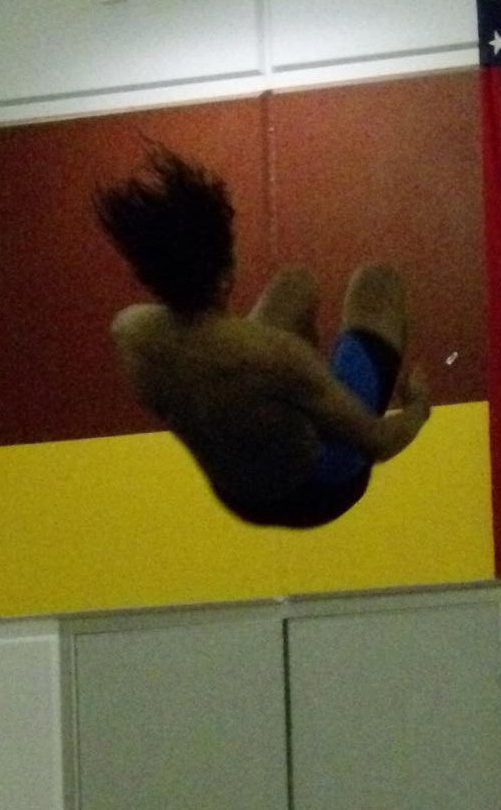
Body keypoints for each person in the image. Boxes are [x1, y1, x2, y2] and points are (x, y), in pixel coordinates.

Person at [97, 146, 430, 528]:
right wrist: (418, 407)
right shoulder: (275, 359)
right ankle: (317, 403)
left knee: (295, 285)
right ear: (225, 276)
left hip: (235, 493)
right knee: (377, 282)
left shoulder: (131, 332)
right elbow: (380, 442)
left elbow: (218, 363)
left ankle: (300, 405)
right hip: (318, 493)